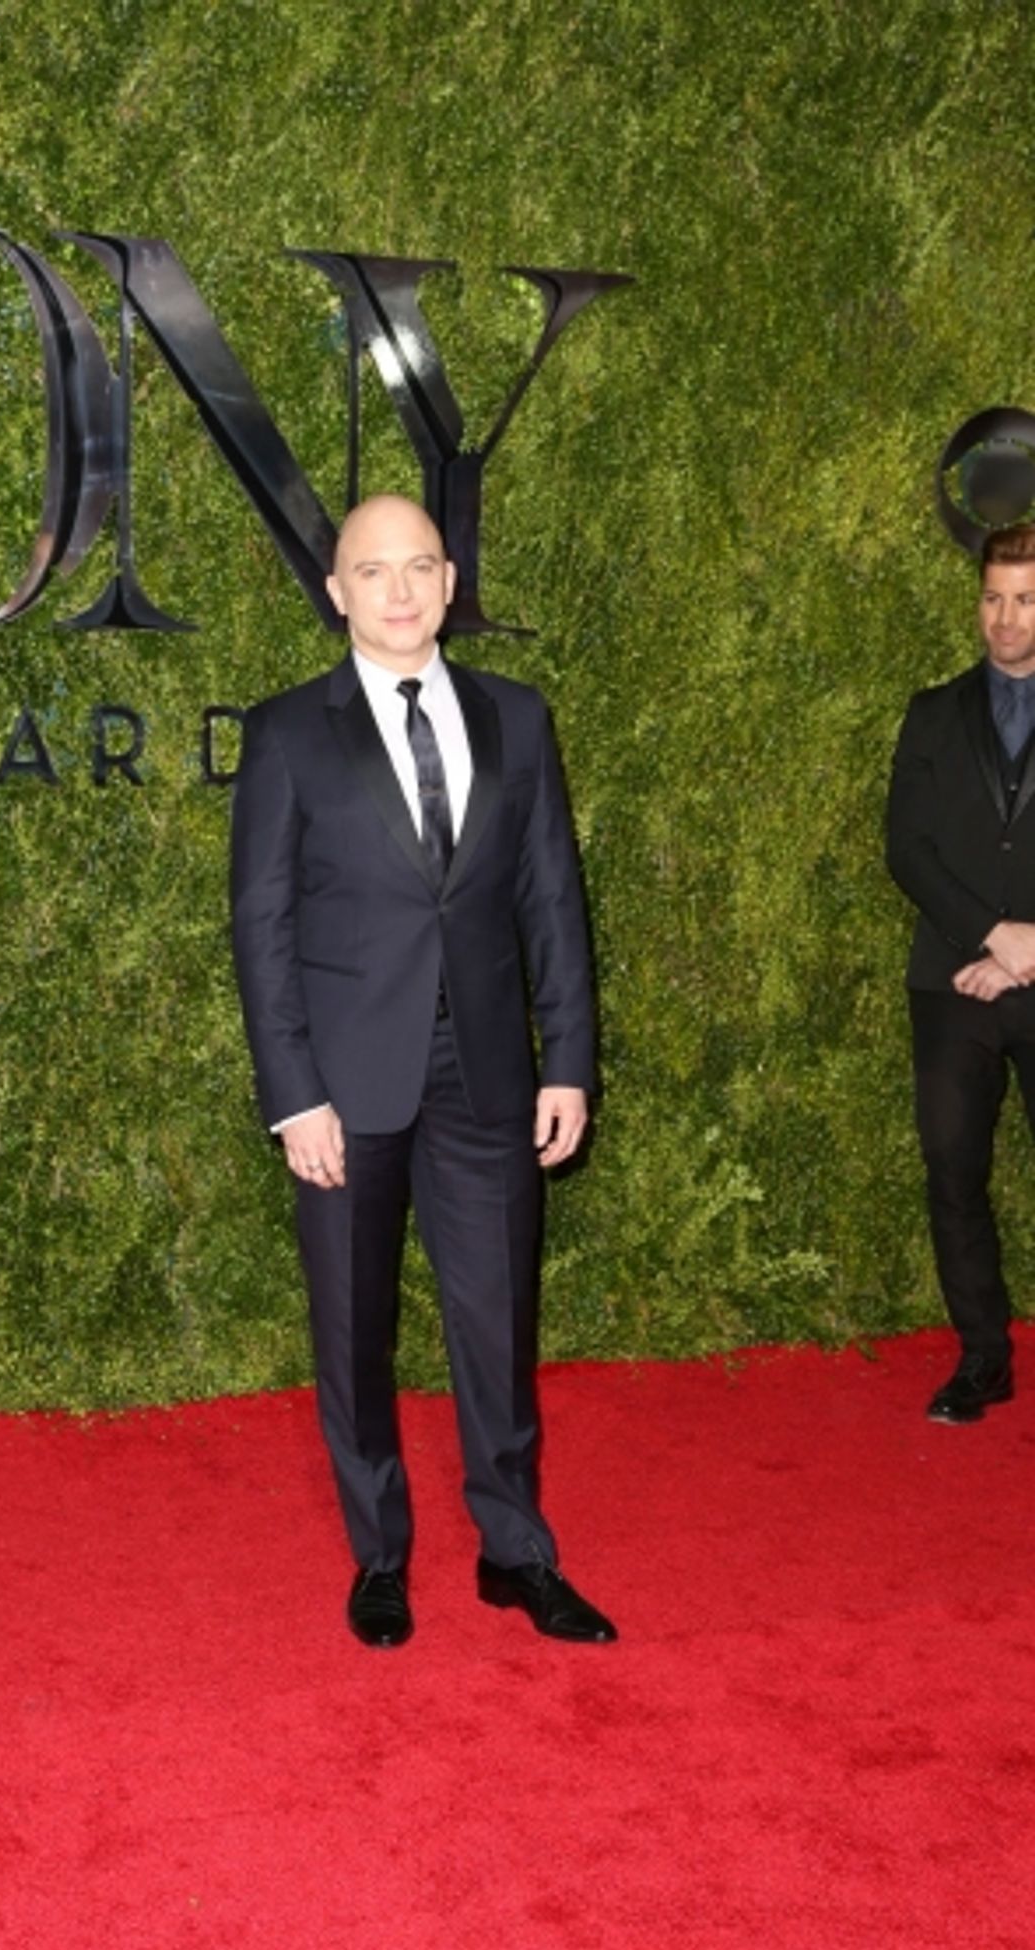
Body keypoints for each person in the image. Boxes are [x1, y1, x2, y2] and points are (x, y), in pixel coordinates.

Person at [229, 492, 616, 1645]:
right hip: (345, 1083)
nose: (398, 589)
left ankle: (514, 1550)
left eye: (419, 566)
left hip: (491, 1072)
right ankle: (379, 1555)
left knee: (495, 1323)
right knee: (353, 1330)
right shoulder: (289, 731)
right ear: (336, 590)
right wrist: (291, 1091)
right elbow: (261, 924)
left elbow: (553, 898)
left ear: (449, 582)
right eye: (371, 570)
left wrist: (569, 1060)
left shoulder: (518, 718)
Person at [887, 520, 1035, 1423]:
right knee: (952, 1168)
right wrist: (992, 937)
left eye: (1024, 600)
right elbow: (908, 848)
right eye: (992, 598)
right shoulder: (932, 713)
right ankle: (984, 1356)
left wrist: (1031, 946)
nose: (1005, 618)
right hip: (954, 981)